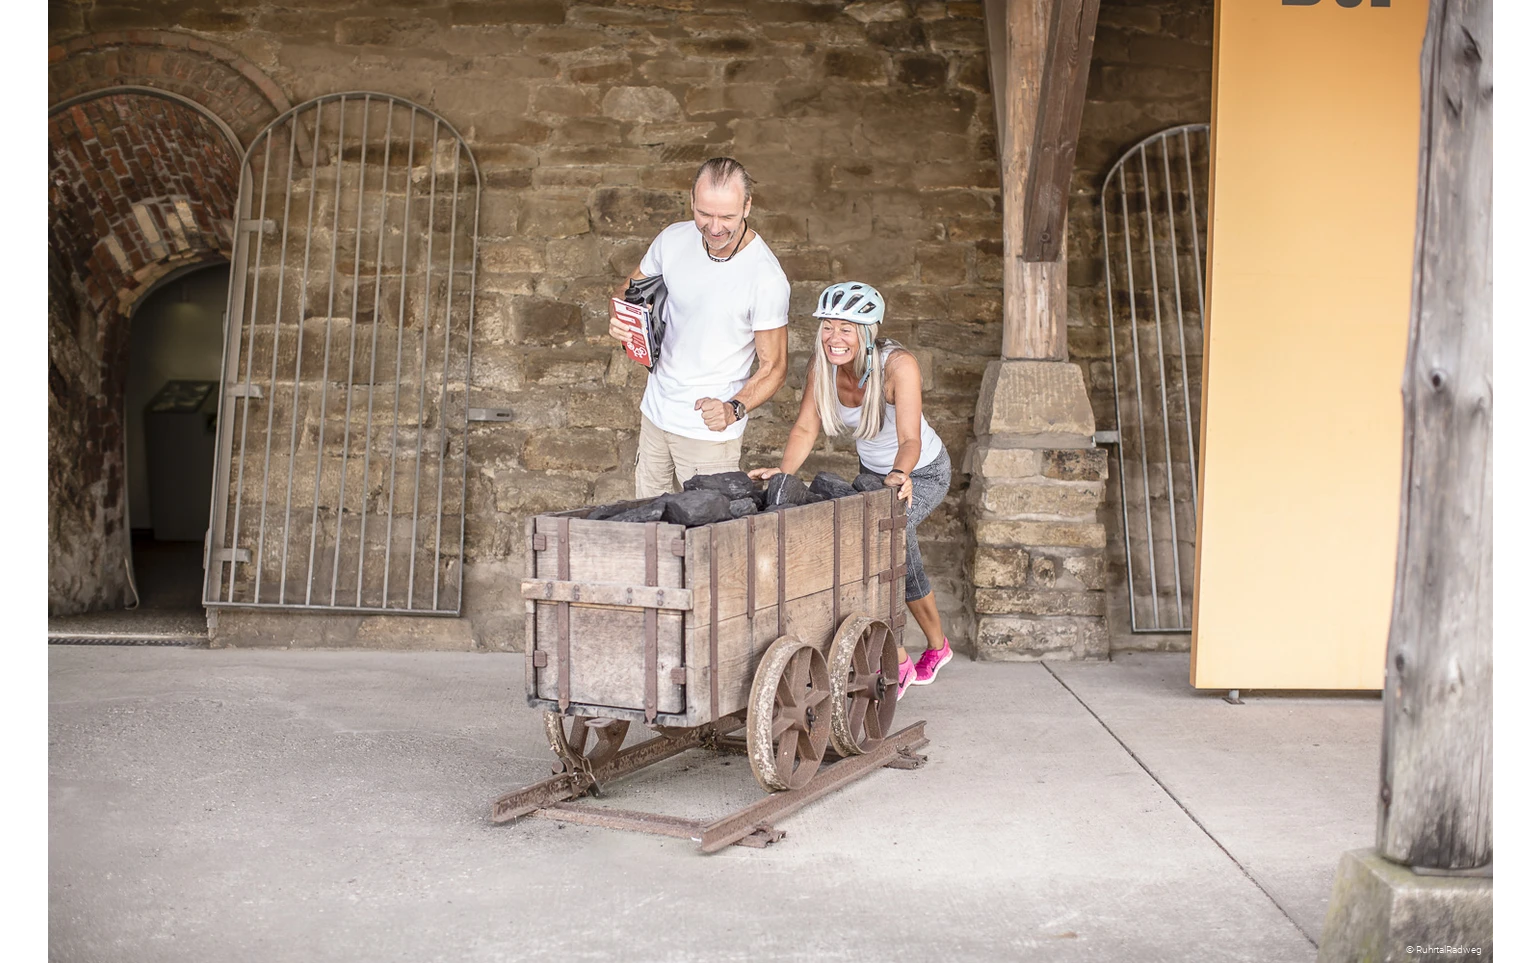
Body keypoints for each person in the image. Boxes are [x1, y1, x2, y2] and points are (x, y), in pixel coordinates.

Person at [748, 281, 953, 698]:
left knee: (890, 541)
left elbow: (910, 438)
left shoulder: (899, 367)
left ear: (868, 331)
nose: (834, 338)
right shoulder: (822, 366)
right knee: (866, 548)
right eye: (827, 327)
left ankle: (931, 648)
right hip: (873, 473)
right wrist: (782, 475)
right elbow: (807, 426)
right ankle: (895, 652)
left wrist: (900, 474)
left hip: (921, 470)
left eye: (846, 328)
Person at [608, 157, 790, 498]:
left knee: (709, 543)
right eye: (705, 214)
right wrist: (621, 318)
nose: (715, 227)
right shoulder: (672, 240)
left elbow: (775, 368)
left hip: (709, 436)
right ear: (692, 199)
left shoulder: (765, 278)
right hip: (655, 414)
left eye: (727, 217)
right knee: (649, 530)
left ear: (747, 206)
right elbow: (625, 292)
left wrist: (732, 409)